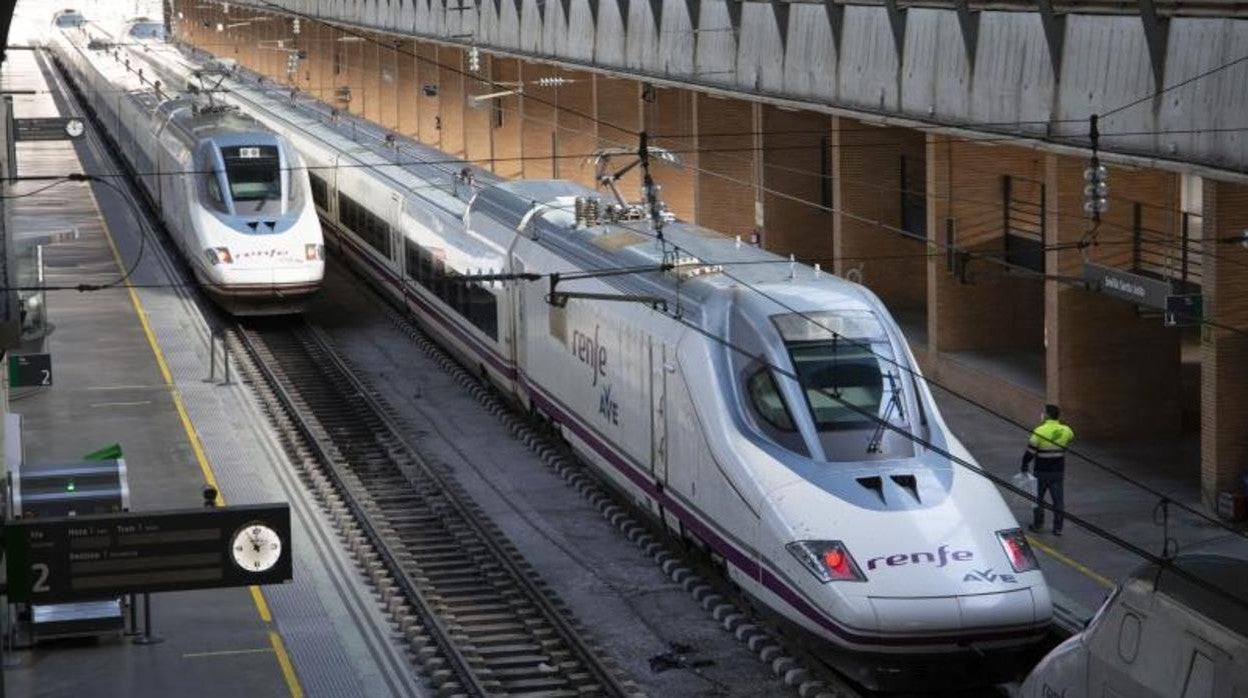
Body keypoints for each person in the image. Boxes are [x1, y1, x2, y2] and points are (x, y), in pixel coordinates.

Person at [1021, 404, 1075, 536]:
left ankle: (1038, 525)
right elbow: (1071, 437)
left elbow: (1030, 452)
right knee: (1058, 501)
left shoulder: (1039, 431)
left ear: (1047, 416)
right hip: (1058, 471)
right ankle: (1058, 528)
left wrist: (1024, 464)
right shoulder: (1066, 430)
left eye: (1043, 413)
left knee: (1038, 499)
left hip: (1041, 471)